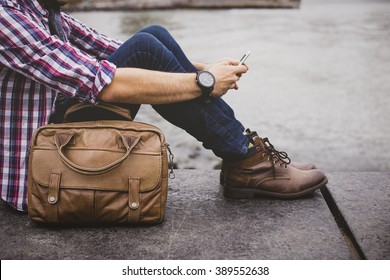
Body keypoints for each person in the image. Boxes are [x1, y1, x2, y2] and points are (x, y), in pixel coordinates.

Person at [0, 0, 327, 212]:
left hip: (58, 143)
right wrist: (205, 83)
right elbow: (105, 82)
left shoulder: (44, 11)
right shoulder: (7, 16)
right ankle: (245, 160)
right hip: (40, 177)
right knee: (144, 46)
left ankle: (245, 156)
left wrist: (202, 68)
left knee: (150, 35)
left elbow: (117, 48)